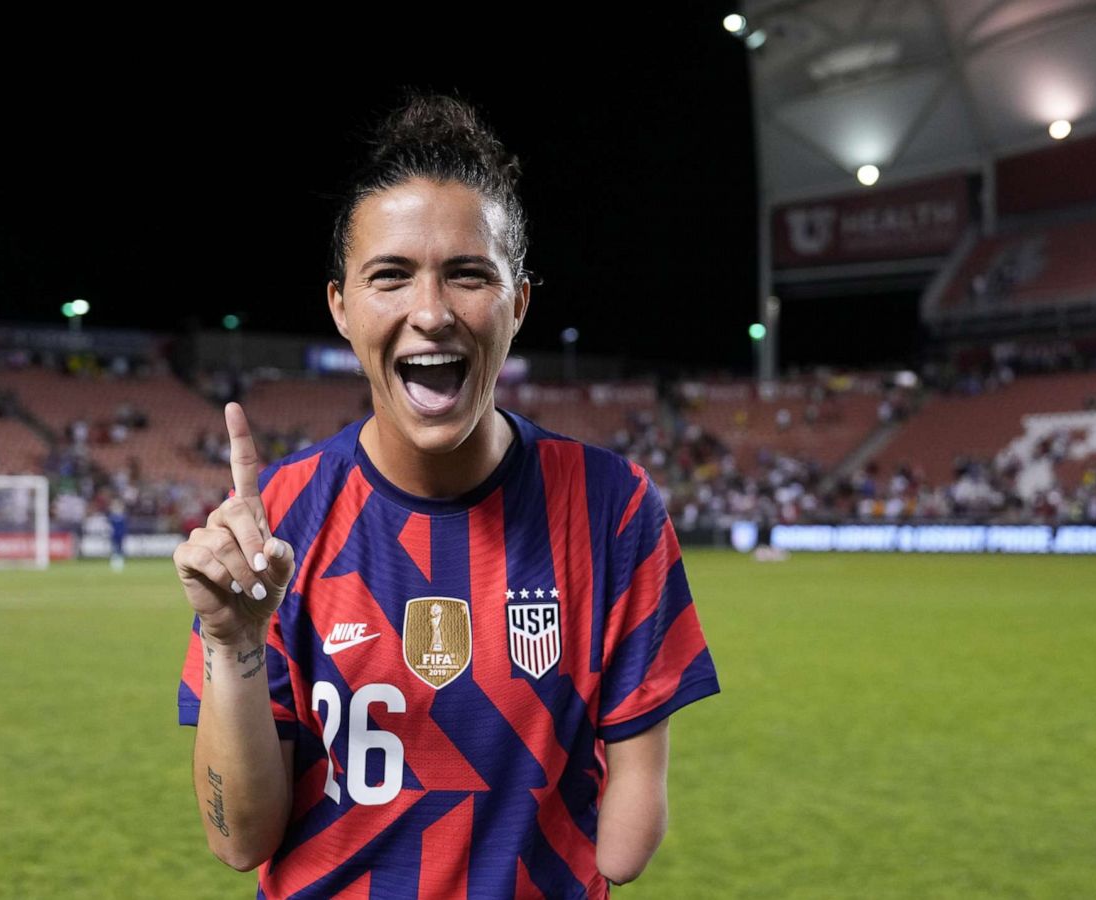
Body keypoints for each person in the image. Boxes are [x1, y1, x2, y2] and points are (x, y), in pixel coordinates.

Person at [174, 92, 718, 898]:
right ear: (342, 308)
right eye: (390, 277)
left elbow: (628, 844)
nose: (430, 313)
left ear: (519, 303)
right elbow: (236, 839)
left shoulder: (613, 507)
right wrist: (231, 641)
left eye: (468, 275)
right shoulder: (276, 522)